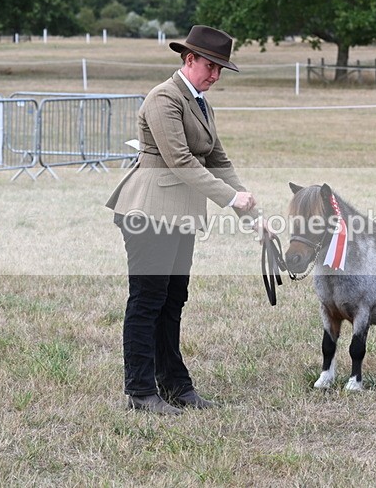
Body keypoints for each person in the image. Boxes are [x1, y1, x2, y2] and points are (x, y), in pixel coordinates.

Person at [106, 25, 262, 415]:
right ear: (189, 59)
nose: (215, 75)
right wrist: (230, 198)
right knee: (147, 301)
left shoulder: (200, 103)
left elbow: (218, 160)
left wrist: (253, 215)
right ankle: (141, 392)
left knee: (173, 300)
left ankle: (175, 385)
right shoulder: (164, 99)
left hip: (180, 216)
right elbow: (180, 161)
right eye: (210, 65)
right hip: (150, 213)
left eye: (220, 68)